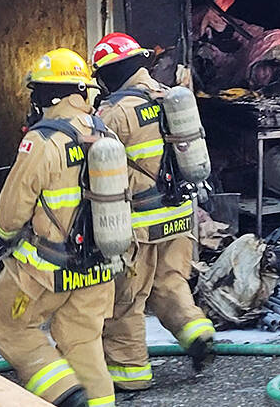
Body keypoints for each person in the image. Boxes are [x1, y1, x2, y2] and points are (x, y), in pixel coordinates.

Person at [0, 48, 117, 407]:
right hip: (98, 266)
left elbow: (13, 208)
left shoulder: (42, 141)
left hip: (44, 269)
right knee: (84, 342)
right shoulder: (104, 133)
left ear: (49, 95)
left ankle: (64, 394)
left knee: (11, 327)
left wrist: (3, 236)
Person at [91, 32, 215, 392]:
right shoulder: (170, 98)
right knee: (171, 283)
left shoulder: (114, 113)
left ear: (110, 73)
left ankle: (130, 374)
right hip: (179, 215)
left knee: (127, 299)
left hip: (139, 224)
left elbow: (94, 167)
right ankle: (197, 331)